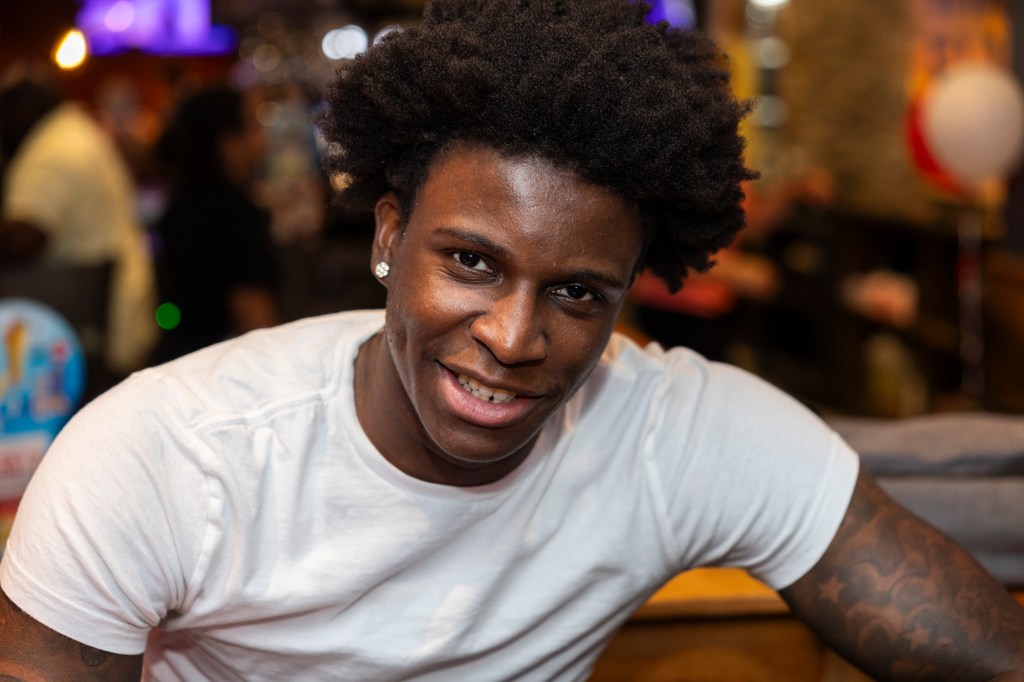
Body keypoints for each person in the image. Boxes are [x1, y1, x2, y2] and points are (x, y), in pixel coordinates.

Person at [1, 1, 1023, 680]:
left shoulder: (668, 429)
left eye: (578, 291)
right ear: (390, 233)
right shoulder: (161, 456)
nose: (514, 335)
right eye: (473, 262)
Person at [0, 65, 157, 378]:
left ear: (22, 110)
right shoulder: (75, 131)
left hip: (86, 330)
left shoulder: (50, 150)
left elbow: (25, 237)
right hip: (111, 314)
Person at [148, 85, 281, 363]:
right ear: (227, 142)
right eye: (253, 126)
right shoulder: (234, 211)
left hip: (180, 359)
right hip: (222, 365)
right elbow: (254, 317)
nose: (263, 139)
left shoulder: (180, 201)